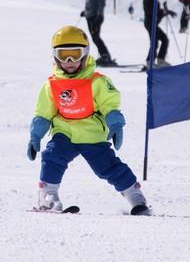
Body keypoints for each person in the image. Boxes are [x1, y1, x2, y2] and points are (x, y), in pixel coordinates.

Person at [26, 25, 149, 215]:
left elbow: (110, 104)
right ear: (54, 55)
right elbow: (43, 112)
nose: (69, 61)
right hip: (64, 132)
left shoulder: (97, 81)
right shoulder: (51, 85)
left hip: (92, 134)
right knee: (52, 157)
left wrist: (115, 123)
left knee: (107, 167)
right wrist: (36, 135)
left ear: (85, 54)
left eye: (75, 54)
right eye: (63, 54)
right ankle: (48, 196)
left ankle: (135, 196)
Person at [80, 0, 116, 66]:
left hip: (96, 18)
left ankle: (105, 56)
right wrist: (85, 12)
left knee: (96, 37)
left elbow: (101, 4)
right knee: (94, 38)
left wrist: (99, 16)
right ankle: (104, 55)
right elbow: (90, 4)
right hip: (90, 17)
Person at [142, 0, 171, 67]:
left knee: (164, 39)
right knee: (155, 42)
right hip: (149, 24)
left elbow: (157, 14)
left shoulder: (155, 0)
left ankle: (160, 59)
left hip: (153, 24)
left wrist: (165, 12)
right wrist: (162, 12)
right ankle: (149, 61)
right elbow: (152, 12)